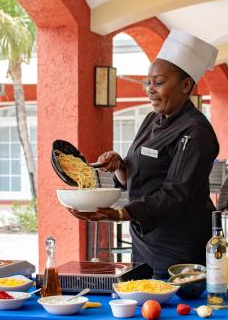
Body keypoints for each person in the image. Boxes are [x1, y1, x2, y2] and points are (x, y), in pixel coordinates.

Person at [69, 29, 220, 278]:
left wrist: (120, 213)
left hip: (178, 246)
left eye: (158, 83)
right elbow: (136, 177)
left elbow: (175, 194)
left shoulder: (196, 131)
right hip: (143, 238)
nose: (149, 89)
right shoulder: (152, 119)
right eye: (147, 82)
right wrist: (119, 165)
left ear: (185, 85)